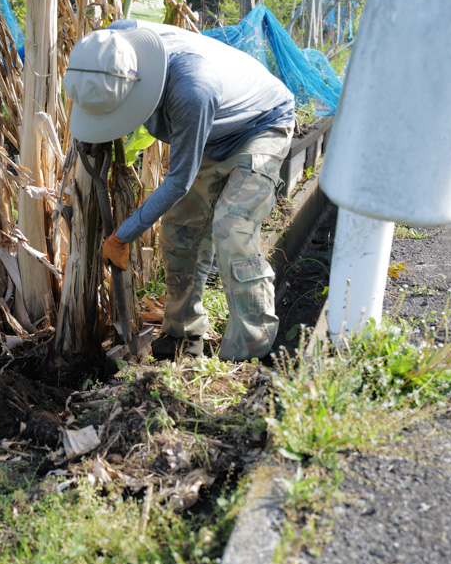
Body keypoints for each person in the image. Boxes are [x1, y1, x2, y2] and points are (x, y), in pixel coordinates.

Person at [63, 20, 295, 361]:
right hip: (211, 130)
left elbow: (179, 181)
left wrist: (121, 235)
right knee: (178, 230)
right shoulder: (110, 46)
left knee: (232, 229)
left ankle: (249, 352)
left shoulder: (190, 91)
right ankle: (183, 336)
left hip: (260, 124)